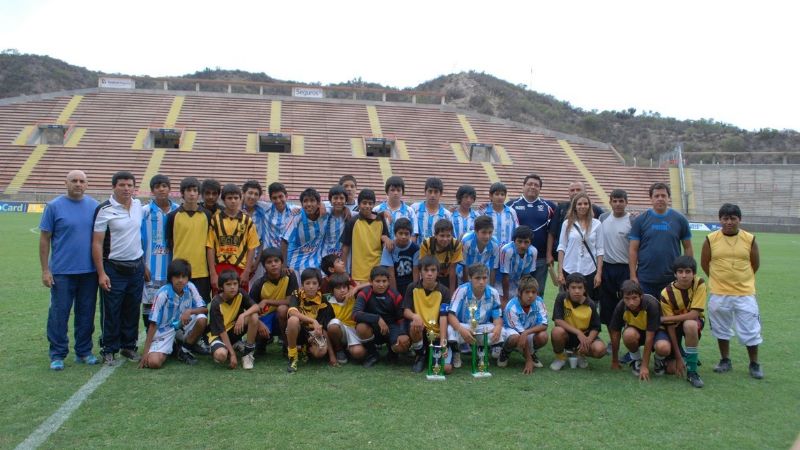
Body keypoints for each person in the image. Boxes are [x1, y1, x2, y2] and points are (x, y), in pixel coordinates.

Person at [40, 170, 99, 370]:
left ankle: (84, 351)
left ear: (87, 184)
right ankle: (57, 354)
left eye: (82, 181)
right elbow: (44, 239)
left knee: (86, 314)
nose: (78, 184)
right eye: (74, 180)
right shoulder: (54, 206)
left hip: (89, 272)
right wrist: (45, 270)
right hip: (62, 272)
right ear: (66, 183)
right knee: (59, 314)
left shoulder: (94, 206)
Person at [701, 203, 764, 379]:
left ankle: (754, 363)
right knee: (721, 328)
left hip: (745, 293)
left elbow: (755, 264)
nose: (729, 222)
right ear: (720, 220)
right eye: (725, 218)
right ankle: (725, 360)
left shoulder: (750, 239)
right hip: (719, 293)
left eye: (733, 218)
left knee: (750, 330)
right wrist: (718, 280)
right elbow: (705, 263)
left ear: (739, 220)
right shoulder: (710, 239)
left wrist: (742, 280)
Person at [92, 171, 145, 365]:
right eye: (122, 185)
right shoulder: (104, 209)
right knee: (111, 310)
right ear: (114, 186)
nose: (126, 188)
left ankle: (129, 346)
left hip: (136, 267)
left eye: (130, 185)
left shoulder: (138, 205)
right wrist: (101, 273)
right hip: (114, 268)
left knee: (132, 309)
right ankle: (109, 348)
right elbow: (97, 243)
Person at [139, 259, 208, 368]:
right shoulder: (163, 293)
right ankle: (174, 348)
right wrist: (145, 353)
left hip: (184, 325)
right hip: (165, 330)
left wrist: (190, 311)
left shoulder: (190, 287)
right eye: (177, 277)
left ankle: (184, 350)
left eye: (184, 277)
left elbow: (204, 309)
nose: (180, 280)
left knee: (202, 319)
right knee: (153, 362)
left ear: (188, 278)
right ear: (171, 277)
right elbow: (153, 324)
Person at [629, 182, 693, 298]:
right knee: (648, 309)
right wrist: (633, 276)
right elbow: (633, 250)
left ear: (668, 198)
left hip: (672, 278)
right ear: (651, 199)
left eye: (663, 196)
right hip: (645, 279)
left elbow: (688, 247)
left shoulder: (680, 219)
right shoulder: (641, 220)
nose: (660, 199)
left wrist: (689, 271)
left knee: (670, 309)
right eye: (656, 196)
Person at [444, 263, 503, 374]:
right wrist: (461, 329)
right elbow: (451, 315)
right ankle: (456, 352)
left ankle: (481, 353)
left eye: (484, 278)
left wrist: (498, 327)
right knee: (450, 329)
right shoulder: (462, 290)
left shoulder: (493, 292)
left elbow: (497, 317)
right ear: (470, 278)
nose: (481, 282)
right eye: (477, 278)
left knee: (502, 331)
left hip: (482, 326)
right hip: (464, 325)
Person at [659, 255, 707, 388]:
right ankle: (682, 356)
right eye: (680, 272)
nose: (684, 275)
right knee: (671, 370)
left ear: (694, 273)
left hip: (693, 323)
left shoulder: (699, 283)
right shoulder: (666, 294)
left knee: (690, 324)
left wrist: (667, 318)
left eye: (688, 271)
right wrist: (678, 357)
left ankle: (692, 372)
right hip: (674, 328)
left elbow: (694, 314)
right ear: (675, 274)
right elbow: (670, 327)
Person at [507, 174, 556, 297]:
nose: (533, 187)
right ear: (523, 186)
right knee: (518, 291)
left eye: (536, 185)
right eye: (529, 184)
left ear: (540, 188)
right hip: (518, 258)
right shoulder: (511, 205)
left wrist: (550, 254)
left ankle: (536, 310)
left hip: (541, 257)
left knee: (538, 291)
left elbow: (556, 226)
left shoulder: (549, 206)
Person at [206, 184, 260, 294]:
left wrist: (247, 271)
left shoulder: (247, 221)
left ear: (240, 199)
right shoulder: (215, 220)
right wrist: (213, 273)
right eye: (229, 198)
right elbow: (210, 247)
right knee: (220, 300)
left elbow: (252, 248)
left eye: (236, 198)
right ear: (223, 200)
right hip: (220, 268)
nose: (233, 201)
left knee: (240, 300)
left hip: (240, 268)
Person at [141, 174, 178, 328]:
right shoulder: (144, 211)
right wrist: (142, 265)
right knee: (149, 306)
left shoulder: (178, 210)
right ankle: (150, 337)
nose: (161, 189)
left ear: (169, 189)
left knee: (172, 305)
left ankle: (170, 338)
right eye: (157, 187)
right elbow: (136, 240)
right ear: (152, 191)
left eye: (164, 186)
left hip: (172, 270)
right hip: (150, 269)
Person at [166, 177, 212, 302]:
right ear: (182, 193)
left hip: (201, 271)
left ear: (199, 194)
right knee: (178, 306)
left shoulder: (207, 215)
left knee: (200, 306)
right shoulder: (173, 216)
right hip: (179, 271)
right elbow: (170, 242)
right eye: (188, 190)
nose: (192, 194)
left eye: (195, 190)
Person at [353, 266, 409, 368]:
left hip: (391, 326)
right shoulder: (364, 293)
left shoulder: (395, 294)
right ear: (371, 281)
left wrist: (402, 333)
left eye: (384, 281)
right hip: (372, 327)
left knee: (402, 344)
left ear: (389, 281)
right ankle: (373, 354)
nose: (381, 284)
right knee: (361, 327)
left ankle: (392, 352)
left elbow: (401, 318)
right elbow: (356, 314)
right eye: (377, 281)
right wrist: (377, 318)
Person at [608, 280, 664, 381]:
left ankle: (659, 360)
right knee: (628, 335)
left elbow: (650, 337)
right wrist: (614, 360)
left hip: (656, 332)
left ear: (641, 296)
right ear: (622, 298)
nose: (631, 302)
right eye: (627, 298)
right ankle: (636, 360)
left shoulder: (651, 304)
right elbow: (615, 333)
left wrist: (645, 366)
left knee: (663, 347)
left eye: (634, 298)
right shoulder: (621, 306)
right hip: (637, 332)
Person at [403, 256, 450, 373]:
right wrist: (415, 316)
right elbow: (406, 310)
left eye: (433, 270)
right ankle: (420, 356)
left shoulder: (444, 291)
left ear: (438, 272)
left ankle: (432, 353)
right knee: (414, 325)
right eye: (426, 270)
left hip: (436, 334)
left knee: (446, 369)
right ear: (420, 271)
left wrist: (443, 341)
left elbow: (444, 317)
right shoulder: (412, 287)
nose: (429, 274)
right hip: (420, 329)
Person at [550, 273, 606, 370]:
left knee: (600, 349)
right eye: (573, 287)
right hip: (567, 335)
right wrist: (578, 332)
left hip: (584, 336)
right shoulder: (561, 298)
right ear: (567, 288)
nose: (577, 291)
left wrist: (588, 341)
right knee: (557, 331)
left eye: (580, 288)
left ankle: (580, 354)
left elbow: (596, 327)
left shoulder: (591, 304)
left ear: (584, 289)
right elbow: (558, 320)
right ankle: (560, 357)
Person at [207, 270, 261, 370]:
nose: (233, 287)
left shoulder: (240, 293)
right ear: (221, 287)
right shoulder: (216, 303)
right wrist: (232, 354)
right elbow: (222, 331)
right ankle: (222, 348)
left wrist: (242, 315)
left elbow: (256, 307)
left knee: (253, 316)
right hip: (218, 335)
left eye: (235, 284)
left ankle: (248, 353)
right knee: (221, 356)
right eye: (228, 284)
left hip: (234, 329)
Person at [556, 192, 604, 302]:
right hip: (569, 268)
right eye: (579, 204)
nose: (583, 206)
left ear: (589, 206)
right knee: (567, 302)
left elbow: (600, 250)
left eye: (586, 204)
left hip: (589, 270)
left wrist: (598, 274)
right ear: (574, 206)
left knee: (588, 303)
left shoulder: (597, 224)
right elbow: (562, 247)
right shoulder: (567, 223)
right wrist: (560, 272)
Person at [285, 268, 334, 373]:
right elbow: (292, 312)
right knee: (293, 320)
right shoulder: (296, 294)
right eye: (307, 283)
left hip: (312, 335)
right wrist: (313, 321)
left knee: (320, 352)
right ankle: (293, 356)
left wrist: (332, 356)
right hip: (298, 331)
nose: (311, 286)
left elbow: (323, 328)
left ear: (319, 286)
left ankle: (305, 349)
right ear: (302, 285)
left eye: (314, 283)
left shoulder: (323, 300)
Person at [597, 189, 633, 329]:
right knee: (607, 306)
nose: (618, 204)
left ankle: (628, 336)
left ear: (626, 202)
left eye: (621, 201)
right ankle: (613, 339)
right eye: (615, 201)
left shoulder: (632, 220)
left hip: (625, 268)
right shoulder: (603, 218)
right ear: (610, 202)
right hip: (606, 267)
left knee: (627, 303)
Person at [498, 275, 548, 374]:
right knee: (515, 338)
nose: (531, 295)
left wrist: (526, 332)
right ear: (519, 293)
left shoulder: (539, 301)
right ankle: (505, 352)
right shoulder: (511, 307)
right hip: (513, 333)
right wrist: (528, 361)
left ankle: (531, 353)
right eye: (527, 292)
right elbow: (521, 335)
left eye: (533, 292)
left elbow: (544, 325)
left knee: (543, 336)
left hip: (527, 331)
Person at [248, 248, 295, 353]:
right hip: (264, 318)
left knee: (283, 309)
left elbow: (290, 301)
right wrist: (259, 323)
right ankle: (261, 342)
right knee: (260, 341)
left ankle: (287, 345)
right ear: (264, 266)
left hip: (282, 317)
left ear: (282, 262)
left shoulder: (290, 276)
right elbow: (250, 309)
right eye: (269, 262)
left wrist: (266, 301)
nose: (273, 264)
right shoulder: (258, 284)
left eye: (276, 261)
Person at [341, 189, 391, 283]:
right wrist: (344, 271)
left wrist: (387, 241)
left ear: (374, 205)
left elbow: (385, 242)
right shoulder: (352, 221)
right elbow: (345, 248)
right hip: (358, 273)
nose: (367, 206)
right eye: (364, 203)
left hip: (377, 272)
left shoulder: (381, 220)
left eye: (370, 203)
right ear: (359, 204)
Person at [282, 188, 327, 277]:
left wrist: (346, 209)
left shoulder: (325, 214)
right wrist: (283, 265)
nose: (309, 204)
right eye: (305, 201)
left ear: (318, 203)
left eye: (312, 201)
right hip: (296, 264)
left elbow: (338, 206)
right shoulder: (296, 216)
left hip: (316, 264)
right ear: (302, 204)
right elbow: (284, 240)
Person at [325, 273, 367, 365]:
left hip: (354, 330)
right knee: (333, 324)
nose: (342, 290)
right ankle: (339, 349)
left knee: (359, 353)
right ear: (332, 291)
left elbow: (371, 284)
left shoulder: (354, 297)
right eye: (338, 288)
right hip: (340, 331)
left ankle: (350, 349)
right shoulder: (329, 303)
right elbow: (327, 328)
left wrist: (356, 288)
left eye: (344, 287)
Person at [418, 219, 463, 293]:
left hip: (448, 276)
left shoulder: (456, 245)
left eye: (448, 236)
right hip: (431, 275)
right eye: (442, 236)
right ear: (435, 235)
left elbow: (452, 269)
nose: (445, 239)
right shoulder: (426, 244)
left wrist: (451, 292)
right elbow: (424, 267)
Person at [380, 218, 420, 297]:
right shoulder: (389, 247)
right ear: (395, 234)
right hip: (394, 282)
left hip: (409, 283)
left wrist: (415, 292)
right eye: (400, 233)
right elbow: (391, 274)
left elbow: (416, 273)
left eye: (406, 234)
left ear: (410, 234)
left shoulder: (415, 248)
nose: (403, 236)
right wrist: (395, 296)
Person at [498, 225, 537, 305]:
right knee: (502, 306)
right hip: (500, 283)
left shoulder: (533, 252)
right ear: (514, 241)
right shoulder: (507, 250)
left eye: (526, 242)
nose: (522, 245)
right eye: (519, 241)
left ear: (530, 242)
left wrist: (522, 294)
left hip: (516, 283)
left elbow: (526, 276)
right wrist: (505, 298)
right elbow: (505, 276)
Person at [458, 216, 500, 284]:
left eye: (490, 232)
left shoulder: (495, 244)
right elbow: (464, 265)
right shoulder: (467, 242)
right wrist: (467, 286)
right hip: (463, 274)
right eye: (484, 232)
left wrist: (491, 288)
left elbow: (493, 268)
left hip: (482, 273)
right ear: (476, 231)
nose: (487, 236)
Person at [484, 182, 518, 247]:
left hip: (507, 250)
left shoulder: (512, 212)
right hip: (489, 250)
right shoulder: (484, 212)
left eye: (502, 194)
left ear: (505, 196)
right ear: (490, 196)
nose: (500, 197)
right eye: (497, 194)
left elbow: (516, 230)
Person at [321, 185, 350, 258]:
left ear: (346, 201)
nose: (339, 201)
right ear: (330, 201)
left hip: (342, 257)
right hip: (325, 256)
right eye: (335, 198)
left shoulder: (350, 215)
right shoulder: (325, 213)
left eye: (341, 198)